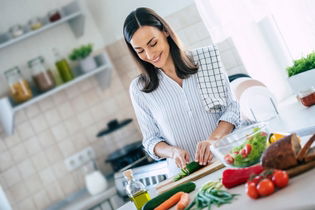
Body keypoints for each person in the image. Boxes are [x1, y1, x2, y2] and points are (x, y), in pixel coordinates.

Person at [123, 7, 240, 175]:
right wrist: (172, 152)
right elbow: (150, 140)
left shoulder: (206, 61)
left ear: (165, 32)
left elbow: (232, 109)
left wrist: (213, 139)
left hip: (228, 160)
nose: (150, 55)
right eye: (140, 50)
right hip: (187, 176)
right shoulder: (139, 89)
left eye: (153, 43)